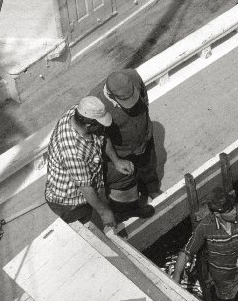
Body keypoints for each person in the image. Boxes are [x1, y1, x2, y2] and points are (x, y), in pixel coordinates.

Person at [44, 96, 133, 232]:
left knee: (125, 174)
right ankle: (103, 224)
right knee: (90, 230)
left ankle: (117, 213)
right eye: (99, 124)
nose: (102, 127)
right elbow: (86, 188)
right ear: (88, 125)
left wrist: (117, 161)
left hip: (93, 174)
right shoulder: (72, 151)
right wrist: (104, 212)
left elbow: (103, 135)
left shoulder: (78, 112)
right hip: (71, 201)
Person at [90, 69, 160, 220]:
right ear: (111, 94)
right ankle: (131, 203)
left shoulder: (133, 76)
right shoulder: (97, 103)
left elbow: (144, 97)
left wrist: (147, 123)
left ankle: (153, 189)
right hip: (122, 150)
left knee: (149, 164)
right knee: (127, 176)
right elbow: (102, 136)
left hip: (144, 137)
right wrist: (116, 160)